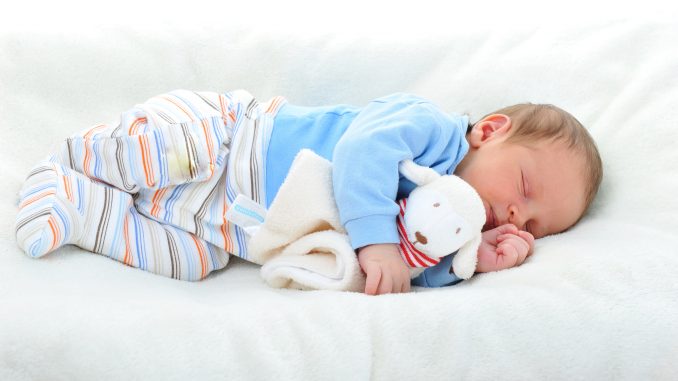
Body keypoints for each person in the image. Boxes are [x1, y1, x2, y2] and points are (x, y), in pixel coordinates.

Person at [14, 90, 602, 295]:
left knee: (194, 262)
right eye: (525, 186)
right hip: (233, 140)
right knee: (169, 156)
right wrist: (374, 241)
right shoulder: (429, 130)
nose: (518, 214)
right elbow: (359, 155)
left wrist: (472, 263)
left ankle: (76, 205)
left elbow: (400, 272)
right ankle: (76, 156)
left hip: (234, 224)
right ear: (491, 131)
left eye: (535, 227)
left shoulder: (445, 235)